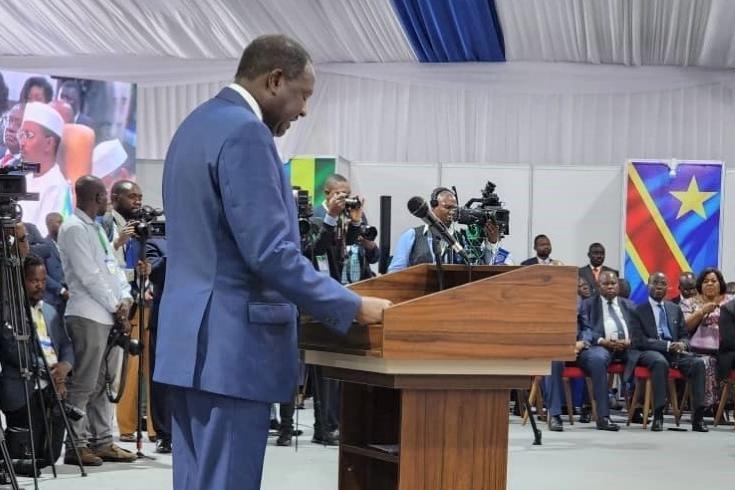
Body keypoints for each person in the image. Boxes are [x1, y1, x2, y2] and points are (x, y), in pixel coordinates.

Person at [155, 34, 390, 490]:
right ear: (275, 80)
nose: (304, 110)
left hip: (188, 348)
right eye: (303, 95)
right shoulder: (246, 133)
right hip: (232, 351)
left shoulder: (194, 126)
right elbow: (270, 252)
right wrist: (352, 305)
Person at [58, 175, 136, 466]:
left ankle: (102, 441)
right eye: (105, 196)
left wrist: (125, 297)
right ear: (96, 197)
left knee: (104, 382)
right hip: (87, 314)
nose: (108, 202)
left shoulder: (96, 229)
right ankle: (75, 444)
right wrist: (116, 305)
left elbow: (112, 268)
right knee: (83, 382)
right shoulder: (73, 228)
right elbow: (88, 276)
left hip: (108, 314)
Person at [0, 255, 74, 473]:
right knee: (26, 457)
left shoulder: (51, 311)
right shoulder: (10, 312)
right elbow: (13, 350)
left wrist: (65, 366)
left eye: (42, 280)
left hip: (52, 385)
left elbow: (66, 345)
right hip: (24, 386)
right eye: (33, 280)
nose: (39, 285)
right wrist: (48, 369)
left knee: (48, 457)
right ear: (21, 281)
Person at [101, 180, 156, 442]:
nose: (137, 201)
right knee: (127, 368)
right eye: (132, 196)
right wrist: (117, 242)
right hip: (120, 305)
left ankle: (154, 427)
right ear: (115, 197)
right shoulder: (105, 223)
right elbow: (103, 263)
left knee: (149, 366)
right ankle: (126, 426)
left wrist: (147, 276)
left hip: (144, 301)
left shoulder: (141, 226)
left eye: (140, 196)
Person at [632, 272, 708, 432]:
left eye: (663, 284)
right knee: (659, 362)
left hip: (675, 353)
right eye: (655, 283)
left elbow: (684, 335)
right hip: (650, 352)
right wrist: (666, 345)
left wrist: (683, 344)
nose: (659, 287)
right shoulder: (639, 310)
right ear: (648, 286)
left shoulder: (674, 309)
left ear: (668, 287)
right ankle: (658, 415)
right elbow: (640, 341)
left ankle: (698, 418)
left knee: (698, 364)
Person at [577, 270, 640, 431]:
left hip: (626, 347)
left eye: (613, 283)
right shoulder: (588, 304)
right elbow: (586, 329)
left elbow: (638, 329)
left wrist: (630, 341)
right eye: (606, 284)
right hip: (600, 346)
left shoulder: (629, 305)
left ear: (618, 285)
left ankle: (638, 408)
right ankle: (603, 416)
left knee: (652, 358)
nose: (610, 287)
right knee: (597, 359)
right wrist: (603, 341)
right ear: (598, 286)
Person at [680, 267, 734, 412]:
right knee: (707, 362)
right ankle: (709, 406)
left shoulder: (730, 301)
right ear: (700, 285)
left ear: (720, 283)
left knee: (725, 360)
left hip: (726, 349)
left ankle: (725, 405)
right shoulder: (689, 303)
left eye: (713, 281)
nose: (709, 284)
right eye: (705, 281)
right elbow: (684, 326)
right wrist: (702, 312)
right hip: (699, 350)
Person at [18, 102, 70, 236]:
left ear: (49, 143)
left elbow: (42, 239)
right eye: (21, 135)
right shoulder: (24, 179)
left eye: (29, 135)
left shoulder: (57, 187)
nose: (22, 143)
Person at [388, 187, 458, 272]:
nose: (452, 212)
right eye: (448, 207)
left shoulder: (459, 238)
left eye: (454, 208)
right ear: (433, 206)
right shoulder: (412, 235)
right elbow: (395, 271)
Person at [30, 212, 68, 317]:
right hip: (53, 298)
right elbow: (42, 275)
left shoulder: (64, 244)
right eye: (59, 222)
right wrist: (61, 290)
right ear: (49, 224)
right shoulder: (43, 247)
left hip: (69, 297)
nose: (62, 225)